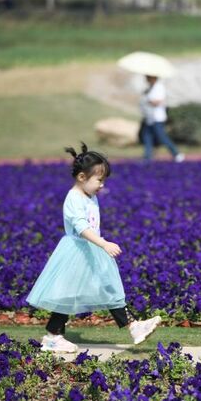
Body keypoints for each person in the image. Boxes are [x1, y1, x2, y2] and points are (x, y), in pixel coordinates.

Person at [26, 144, 162, 353]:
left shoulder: (90, 196)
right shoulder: (73, 198)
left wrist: (99, 244)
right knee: (68, 295)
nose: (102, 185)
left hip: (91, 249)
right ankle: (53, 336)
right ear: (82, 177)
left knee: (108, 286)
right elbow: (81, 228)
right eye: (99, 180)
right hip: (77, 251)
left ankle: (133, 326)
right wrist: (103, 243)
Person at [140, 75, 185, 162]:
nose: (146, 78)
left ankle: (176, 154)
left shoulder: (159, 87)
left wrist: (148, 101)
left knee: (161, 137)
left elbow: (159, 101)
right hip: (149, 117)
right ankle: (147, 157)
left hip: (157, 117)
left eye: (148, 76)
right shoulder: (149, 88)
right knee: (146, 136)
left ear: (153, 77)